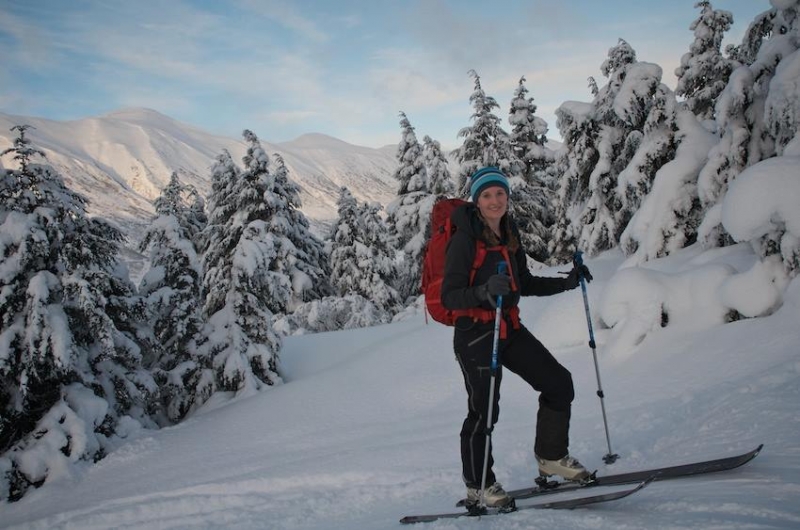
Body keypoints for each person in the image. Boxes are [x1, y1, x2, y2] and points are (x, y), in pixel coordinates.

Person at [440, 166, 593, 508]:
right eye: (487, 195)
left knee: (558, 383)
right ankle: (479, 485)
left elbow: (523, 283)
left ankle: (551, 457)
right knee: (484, 412)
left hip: (507, 328)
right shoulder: (464, 240)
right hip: (476, 335)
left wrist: (565, 283)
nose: (495, 201)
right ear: (476, 201)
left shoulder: (509, 232)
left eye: (500, 193)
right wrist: (482, 290)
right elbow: (449, 296)